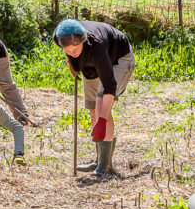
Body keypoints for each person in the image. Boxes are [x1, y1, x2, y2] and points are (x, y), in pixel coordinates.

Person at [53, 19, 135, 177]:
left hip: (118, 58)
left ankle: (105, 165)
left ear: (82, 39)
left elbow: (109, 86)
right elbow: (71, 51)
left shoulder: (96, 46)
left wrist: (102, 122)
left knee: (101, 105)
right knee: (92, 107)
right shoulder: (59, 35)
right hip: (89, 63)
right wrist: (72, 61)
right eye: (68, 50)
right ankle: (98, 160)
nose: (73, 52)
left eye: (75, 48)